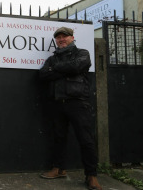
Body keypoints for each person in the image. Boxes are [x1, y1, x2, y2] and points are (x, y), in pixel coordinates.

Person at [39, 27, 102, 190]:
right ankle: (59, 169)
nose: (61, 39)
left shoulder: (82, 53)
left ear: (72, 38)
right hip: (57, 103)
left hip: (78, 102)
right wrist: (65, 68)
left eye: (64, 37)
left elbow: (78, 66)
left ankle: (91, 176)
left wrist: (57, 69)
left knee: (86, 139)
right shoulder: (52, 59)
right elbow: (43, 75)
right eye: (58, 37)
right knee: (58, 138)